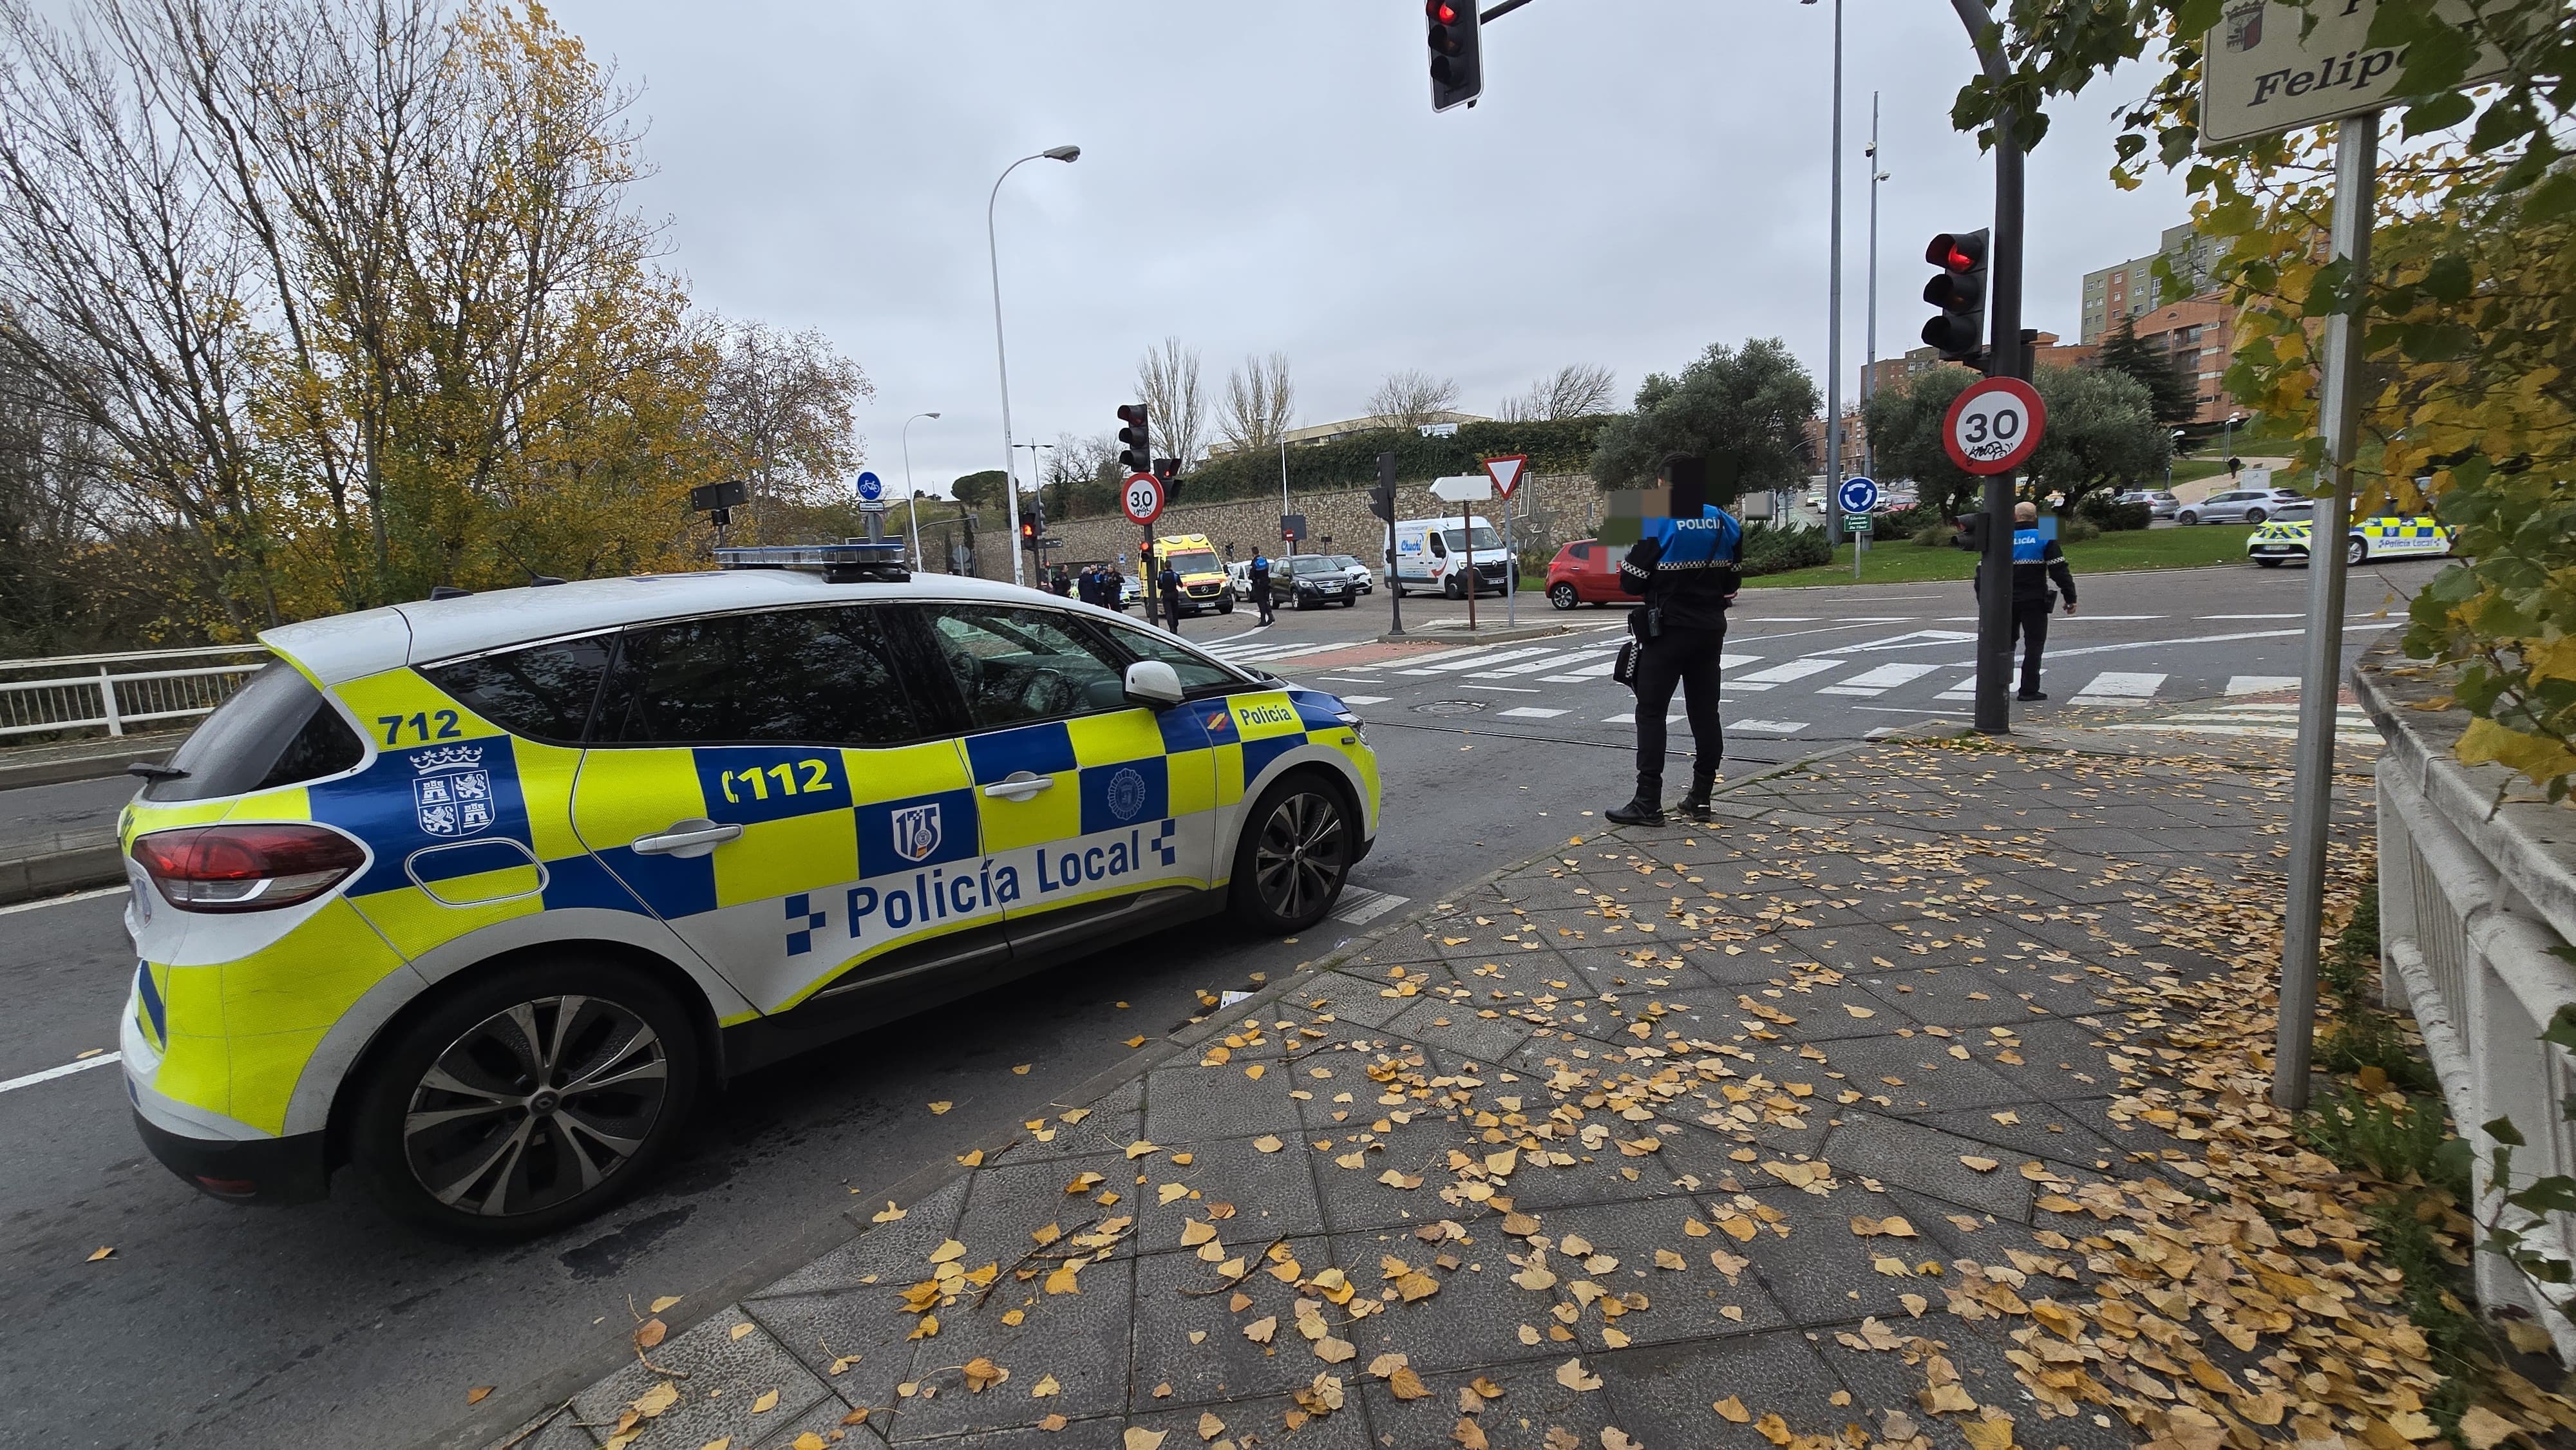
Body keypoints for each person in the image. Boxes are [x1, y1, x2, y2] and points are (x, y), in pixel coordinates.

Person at [1607, 454, 1742, 827]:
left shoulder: (1659, 522)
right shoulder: (1724, 521)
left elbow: (1631, 582)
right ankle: (1701, 797)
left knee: (1652, 712)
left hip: (1666, 633)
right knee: (1705, 713)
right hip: (1710, 631)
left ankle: (1647, 802)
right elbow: (1732, 583)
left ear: (1665, 484)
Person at [1978, 500, 2079, 701]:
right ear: (2036, 518)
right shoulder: (2045, 534)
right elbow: (2060, 570)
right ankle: (2029, 690)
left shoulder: (2001, 537)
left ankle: (1998, 688)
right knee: (2034, 644)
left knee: (2005, 644)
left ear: (2014, 517)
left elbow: (1981, 572)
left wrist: (1985, 601)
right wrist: (2070, 597)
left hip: (2004, 602)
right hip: (2035, 600)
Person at [1157, 555, 1185, 634]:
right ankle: (1175, 625)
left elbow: (1159, 586)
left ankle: (1171, 626)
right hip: (1174, 594)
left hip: (1166, 595)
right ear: (1171, 566)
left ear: (1165, 566)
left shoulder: (1162, 576)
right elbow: (1181, 585)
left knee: (1168, 612)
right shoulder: (1175, 575)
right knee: (1175, 611)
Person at [1249, 551, 1275, 626]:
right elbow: (1267, 570)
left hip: (1258, 584)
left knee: (1261, 602)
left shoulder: (1254, 562)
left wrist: (1251, 577)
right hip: (1266, 583)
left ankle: (1263, 620)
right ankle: (1270, 616)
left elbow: (1251, 575)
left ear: (1253, 554)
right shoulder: (1264, 560)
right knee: (1265, 600)